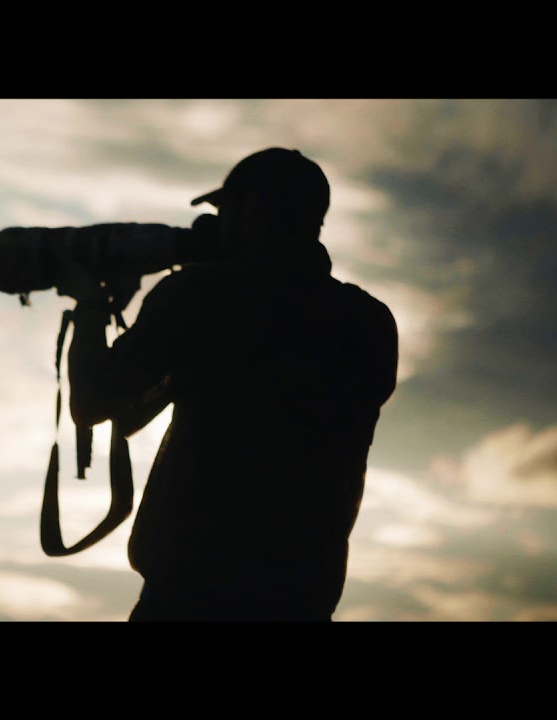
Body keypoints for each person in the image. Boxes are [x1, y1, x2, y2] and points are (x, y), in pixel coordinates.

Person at [58, 148, 399, 621]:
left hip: (188, 600)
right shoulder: (369, 322)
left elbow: (94, 401)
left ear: (248, 214)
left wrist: (92, 306)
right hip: (300, 601)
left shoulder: (201, 297)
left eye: (224, 214)